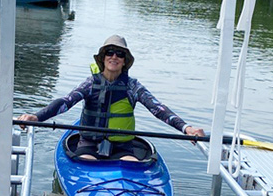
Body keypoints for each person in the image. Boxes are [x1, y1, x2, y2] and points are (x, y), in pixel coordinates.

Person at [19, 34, 205, 161]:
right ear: (103, 58)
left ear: (124, 61)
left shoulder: (133, 86)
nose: (114, 56)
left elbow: (158, 109)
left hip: (123, 148)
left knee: (131, 165)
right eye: (109, 52)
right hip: (89, 144)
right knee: (87, 163)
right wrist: (37, 117)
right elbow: (66, 102)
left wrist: (186, 128)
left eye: (120, 54)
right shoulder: (90, 83)